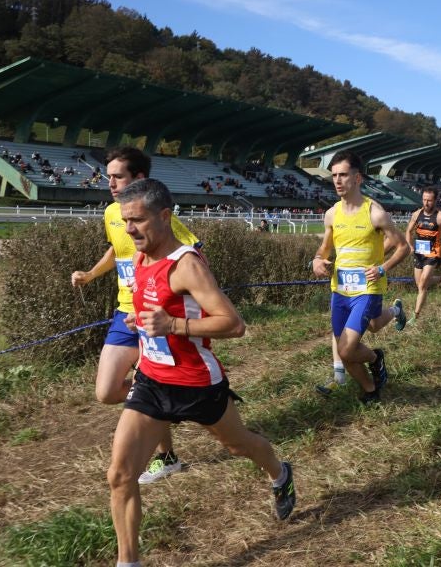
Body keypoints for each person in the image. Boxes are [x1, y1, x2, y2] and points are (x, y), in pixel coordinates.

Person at [108, 178, 295, 566]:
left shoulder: (187, 265)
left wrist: (173, 327)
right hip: (152, 381)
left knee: (238, 444)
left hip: (196, 383)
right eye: (126, 220)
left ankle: (279, 473)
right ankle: (129, 561)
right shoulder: (142, 258)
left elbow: (234, 324)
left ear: (164, 216)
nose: (129, 229)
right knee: (121, 475)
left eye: (137, 220)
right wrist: (138, 320)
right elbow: (157, 310)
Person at [71, 147, 199, 485]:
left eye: (118, 176)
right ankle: (167, 400)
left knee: (150, 386)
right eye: (108, 175)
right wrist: (90, 274)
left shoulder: (160, 217)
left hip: (153, 315)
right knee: (106, 391)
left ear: (139, 179)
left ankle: (166, 456)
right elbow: (117, 248)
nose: (109, 182)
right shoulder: (113, 212)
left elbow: (192, 255)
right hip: (123, 312)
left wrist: (174, 302)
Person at [311, 150, 410, 405]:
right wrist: (317, 260)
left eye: (343, 175)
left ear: (358, 178)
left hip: (367, 289)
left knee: (346, 348)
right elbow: (325, 248)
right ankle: (370, 390)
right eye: (333, 175)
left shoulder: (375, 213)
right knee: (346, 352)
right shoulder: (332, 213)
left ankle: (376, 358)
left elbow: (403, 247)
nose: (337, 180)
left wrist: (382, 268)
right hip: (340, 291)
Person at [403, 186, 441, 326]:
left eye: (429, 200)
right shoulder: (416, 214)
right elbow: (408, 231)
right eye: (424, 199)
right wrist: (410, 246)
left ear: (435, 200)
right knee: (420, 284)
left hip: (433, 253)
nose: (426, 203)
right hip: (419, 253)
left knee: (422, 284)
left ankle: (415, 317)